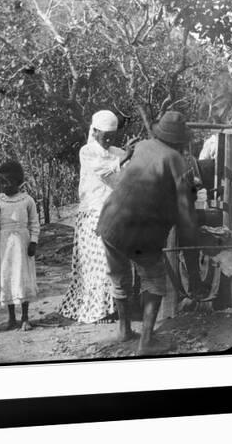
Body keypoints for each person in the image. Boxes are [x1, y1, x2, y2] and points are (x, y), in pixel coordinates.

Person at [97, 111, 202, 354]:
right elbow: (186, 216)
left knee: (119, 276)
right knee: (154, 280)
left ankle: (124, 330)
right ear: (179, 140)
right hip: (138, 231)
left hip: (110, 221)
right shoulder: (177, 161)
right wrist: (194, 267)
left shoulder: (142, 145)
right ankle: (146, 342)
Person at [58, 110, 133, 324]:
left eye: (112, 135)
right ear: (95, 131)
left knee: (116, 263)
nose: (108, 140)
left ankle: (117, 306)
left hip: (115, 213)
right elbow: (103, 171)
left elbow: (126, 174)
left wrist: (129, 156)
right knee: (97, 262)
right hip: (93, 213)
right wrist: (126, 157)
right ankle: (99, 310)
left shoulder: (118, 152)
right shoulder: (87, 151)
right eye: (104, 135)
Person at [0, 160, 40, 331]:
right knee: (8, 277)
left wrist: (33, 242)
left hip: (23, 245)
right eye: (1, 182)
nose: (4, 186)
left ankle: (25, 317)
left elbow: (34, 223)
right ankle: (11, 318)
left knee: (22, 277)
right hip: (5, 246)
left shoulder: (27, 200)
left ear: (18, 182)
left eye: (8, 182)